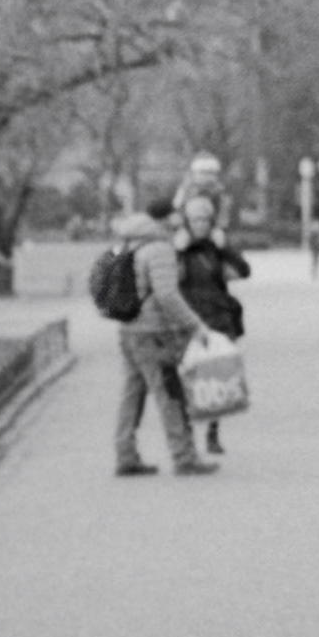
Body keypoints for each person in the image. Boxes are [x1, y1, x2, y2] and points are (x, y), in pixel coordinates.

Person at [114, 198, 218, 478]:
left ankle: (125, 455)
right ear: (167, 219)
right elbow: (167, 295)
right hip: (153, 332)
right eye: (175, 217)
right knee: (170, 394)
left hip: (128, 329)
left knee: (131, 395)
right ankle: (184, 456)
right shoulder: (159, 246)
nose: (179, 221)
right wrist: (196, 325)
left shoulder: (129, 240)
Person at [174, 193, 250, 456]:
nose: (201, 224)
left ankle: (212, 434)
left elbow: (244, 270)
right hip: (189, 318)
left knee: (217, 376)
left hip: (217, 317)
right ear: (187, 221)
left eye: (205, 219)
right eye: (195, 219)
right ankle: (186, 437)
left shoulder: (216, 247)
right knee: (188, 376)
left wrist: (224, 247)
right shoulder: (178, 247)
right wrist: (177, 249)